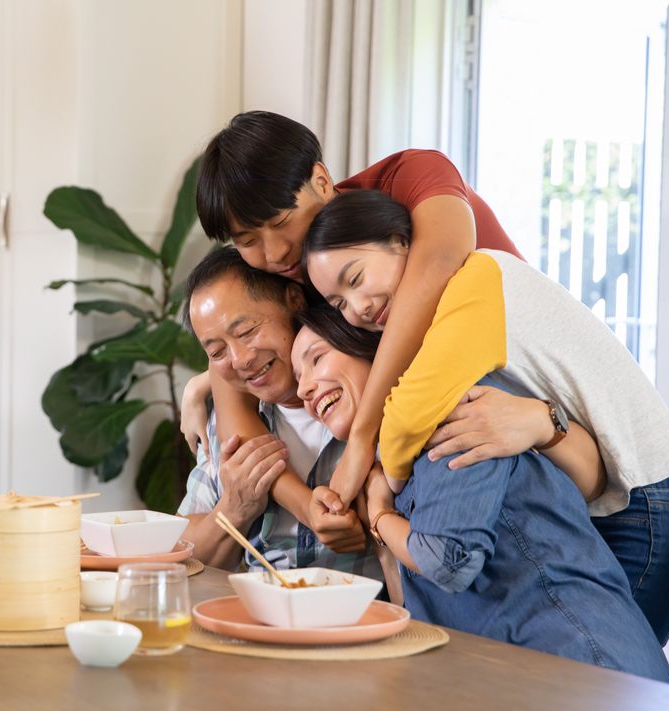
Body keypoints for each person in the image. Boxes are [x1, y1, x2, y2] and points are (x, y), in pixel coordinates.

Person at [301, 188, 669, 645]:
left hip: (646, 506)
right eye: (339, 305)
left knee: (600, 682)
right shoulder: (457, 304)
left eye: (355, 278)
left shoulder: (476, 279)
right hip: (625, 497)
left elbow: (409, 415)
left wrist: (379, 485)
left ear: (399, 241)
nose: (359, 308)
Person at [185, 110, 525, 537]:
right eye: (248, 241)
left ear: (322, 182)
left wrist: (363, 440)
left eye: (281, 223)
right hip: (471, 448)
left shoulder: (410, 177)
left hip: (531, 389)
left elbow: (437, 268)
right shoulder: (301, 272)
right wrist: (307, 504)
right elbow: (235, 389)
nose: (273, 253)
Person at [290, 311, 669, 682]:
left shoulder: (454, 413)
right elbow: (416, 615)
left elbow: (448, 561)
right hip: (521, 678)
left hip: (587, 671)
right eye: (297, 377)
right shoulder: (387, 467)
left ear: (374, 350)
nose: (304, 388)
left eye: (316, 359)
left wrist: (379, 515)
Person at [177, 247, 378, 577]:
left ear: (295, 301)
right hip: (262, 618)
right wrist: (235, 506)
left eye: (247, 332)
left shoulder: (361, 396)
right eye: (216, 352)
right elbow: (181, 553)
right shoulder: (227, 426)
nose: (240, 359)